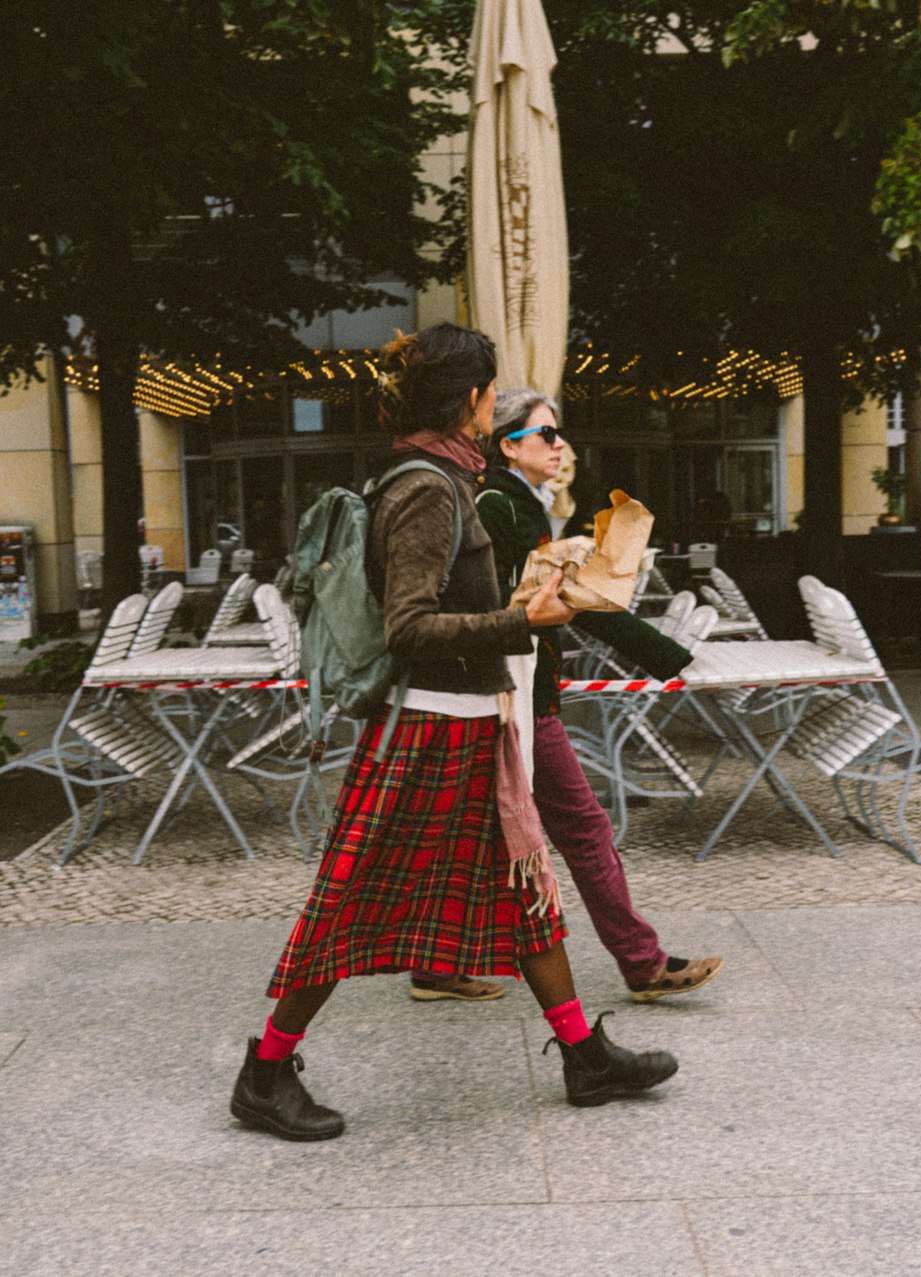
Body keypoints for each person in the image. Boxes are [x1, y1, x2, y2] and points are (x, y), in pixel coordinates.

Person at [230, 324, 679, 1141]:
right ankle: (264, 1070)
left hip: (469, 726)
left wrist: (527, 605)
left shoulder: (445, 477)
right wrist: (521, 617)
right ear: (473, 401)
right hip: (426, 735)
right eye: (490, 391)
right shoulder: (429, 488)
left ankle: (584, 1053)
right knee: (344, 908)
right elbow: (409, 627)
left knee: (526, 887)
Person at [410, 388, 723, 1006]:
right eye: (545, 434)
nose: (559, 445)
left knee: (473, 832)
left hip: (504, 692)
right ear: (508, 445)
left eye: (559, 434)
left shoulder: (510, 502)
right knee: (584, 829)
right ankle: (642, 962)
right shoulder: (505, 507)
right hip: (520, 697)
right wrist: (670, 656)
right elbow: (562, 604)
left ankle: (433, 967)